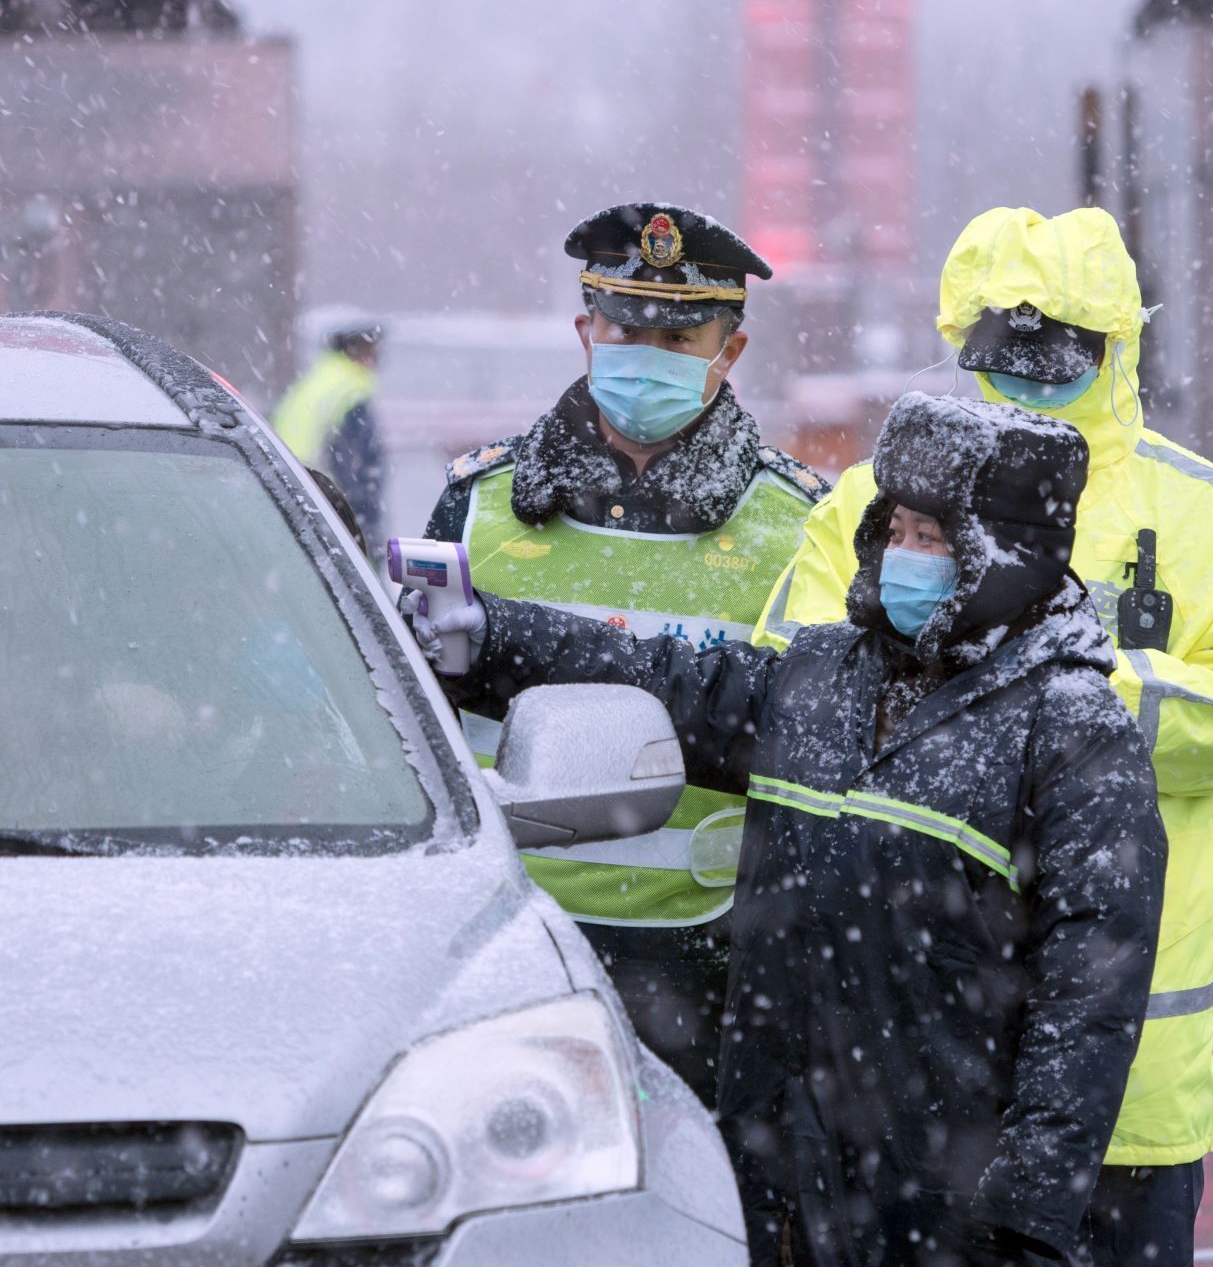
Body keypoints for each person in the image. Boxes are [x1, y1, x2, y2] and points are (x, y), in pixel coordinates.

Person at [414, 393, 1167, 1267]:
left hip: (943, 1200)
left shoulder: (1070, 730)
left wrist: (1030, 1211)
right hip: (782, 1176)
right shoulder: (823, 676)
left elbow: (1090, 997)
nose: (905, 559)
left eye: (935, 540)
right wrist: (491, 635)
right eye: (898, 531)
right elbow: (655, 674)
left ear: (1006, 557)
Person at [753, 206, 1213, 1267]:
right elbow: (800, 687)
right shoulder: (865, 508)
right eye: (997, 352)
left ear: (1118, 347)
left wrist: (1042, 714)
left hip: (1125, 1080)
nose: (1022, 378)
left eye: (1054, 353)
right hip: (903, 1060)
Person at [423, 202, 829, 1106]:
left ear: (731, 350)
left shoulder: (806, 526)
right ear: (585, 331)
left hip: (711, 959)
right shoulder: (474, 505)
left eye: (682, 334)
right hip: (515, 941)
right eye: (624, 325)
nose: (647, 348)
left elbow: (804, 736)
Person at [272, 322, 387, 547]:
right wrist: (367, 534)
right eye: (372, 349)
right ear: (355, 350)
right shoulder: (352, 391)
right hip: (328, 505)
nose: (378, 358)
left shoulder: (314, 382)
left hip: (289, 494)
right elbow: (357, 472)